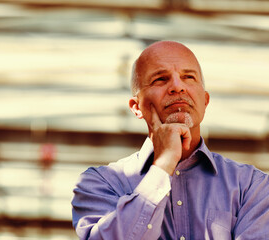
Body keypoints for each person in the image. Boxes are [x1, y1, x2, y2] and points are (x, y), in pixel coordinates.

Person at [71, 40, 269, 239]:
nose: (177, 87)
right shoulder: (100, 184)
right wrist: (163, 165)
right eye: (160, 79)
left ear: (205, 101)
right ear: (136, 107)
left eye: (189, 77)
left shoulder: (251, 186)